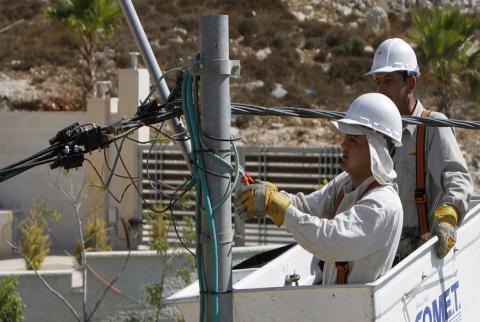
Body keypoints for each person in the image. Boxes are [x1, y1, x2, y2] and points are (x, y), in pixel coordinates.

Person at [235, 93, 403, 285]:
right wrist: (273, 197)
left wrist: (279, 208)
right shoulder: (346, 183)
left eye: (353, 140)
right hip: (336, 303)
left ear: (376, 151)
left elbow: (329, 240)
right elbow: (306, 207)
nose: (343, 145)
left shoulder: (383, 204)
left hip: (357, 311)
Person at [366, 38, 473, 260]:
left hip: (421, 256)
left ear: (411, 83)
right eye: (378, 81)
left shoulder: (432, 127)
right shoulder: (375, 133)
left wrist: (448, 216)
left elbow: (458, 178)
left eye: (389, 80)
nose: (381, 89)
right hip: (382, 252)